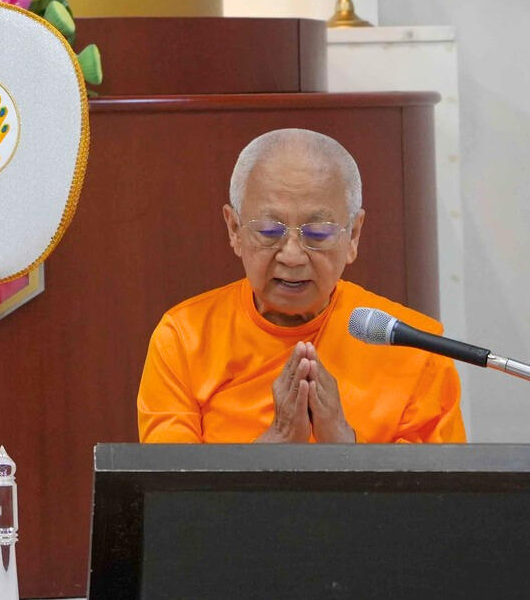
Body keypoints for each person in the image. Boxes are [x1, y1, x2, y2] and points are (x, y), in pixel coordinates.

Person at [137, 128, 464, 445]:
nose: (292, 256)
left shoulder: (417, 350)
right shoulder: (184, 339)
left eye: (318, 234)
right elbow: (171, 495)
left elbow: (434, 497)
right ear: (234, 229)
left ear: (353, 236)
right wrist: (276, 440)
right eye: (268, 232)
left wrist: (340, 440)